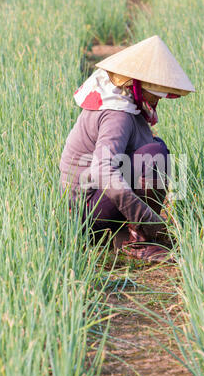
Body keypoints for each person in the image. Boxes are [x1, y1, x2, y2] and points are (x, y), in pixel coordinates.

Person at [59, 35, 195, 262]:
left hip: (94, 205)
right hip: (85, 213)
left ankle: (126, 234)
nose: (158, 100)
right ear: (137, 86)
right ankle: (138, 240)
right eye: (155, 92)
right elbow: (103, 171)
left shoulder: (124, 103)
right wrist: (149, 219)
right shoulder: (117, 115)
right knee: (154, 156)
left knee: (156, 147)